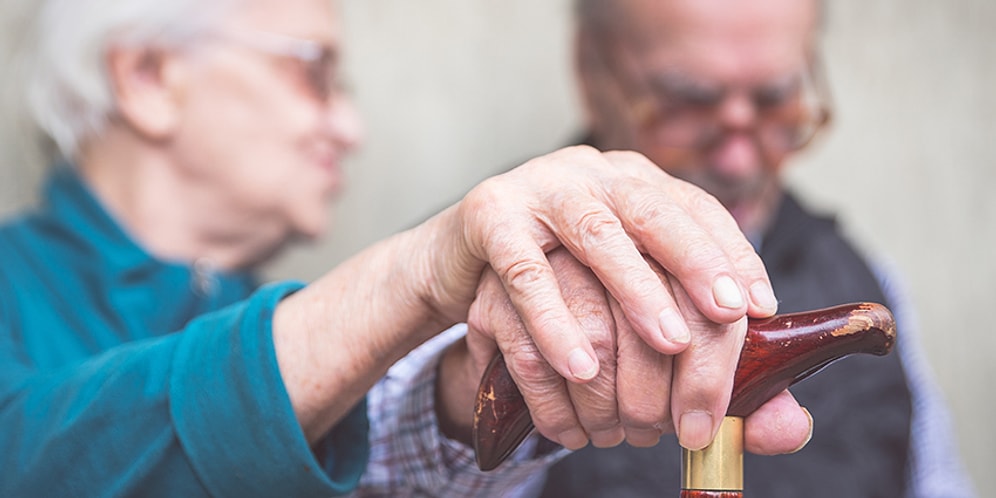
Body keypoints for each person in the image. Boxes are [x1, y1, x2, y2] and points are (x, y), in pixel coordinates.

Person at [0, 0, 815, 496]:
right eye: (314, 73)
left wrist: (494, 376)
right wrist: (413, 272)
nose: (350, 130)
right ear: (145, 75)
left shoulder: (249, 309)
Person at [533, 0, 976, 496]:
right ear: (592, 72)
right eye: (689, 101)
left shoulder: (866, 279)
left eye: (775, 98)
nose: (740, 163)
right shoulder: (497, 291)